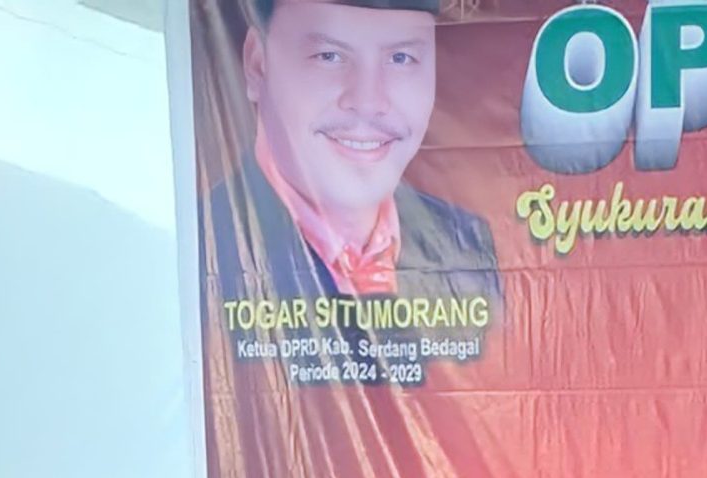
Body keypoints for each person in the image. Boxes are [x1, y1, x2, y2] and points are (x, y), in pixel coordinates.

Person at [205, 0, 501, 306]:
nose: (368, 102)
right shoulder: (200, 249)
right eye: (329, 56)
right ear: (257, 66)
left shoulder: (464, 244)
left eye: (400, 58)